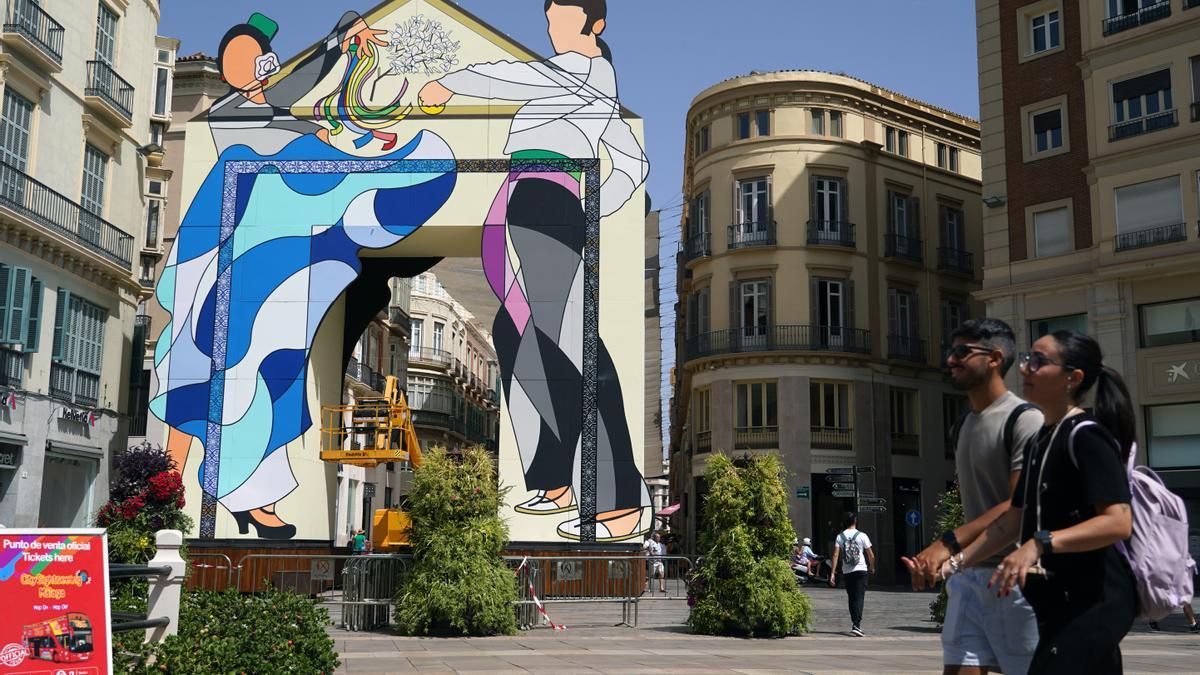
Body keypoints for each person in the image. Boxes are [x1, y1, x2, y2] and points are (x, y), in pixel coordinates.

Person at [419, 0, 652, 542]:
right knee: (515, 332)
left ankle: (618, 497)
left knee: (571, 338)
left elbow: (512, 75)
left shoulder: (587, 70)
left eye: (562, 16)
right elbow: (632, 163)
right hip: (526, 196)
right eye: (549, 17)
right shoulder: (581, 91)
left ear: (596, 24)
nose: (551, 26)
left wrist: (452, 84)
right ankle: (554, 475)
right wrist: (602, 200)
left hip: (547, 198)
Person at [945, 331, 1137, 674]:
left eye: (1038, 361)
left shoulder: (1087, 436)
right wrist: (956, 562)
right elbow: (1012, 520)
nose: (1024, 370)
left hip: (1094, 602)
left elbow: (1119, 522)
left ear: (1072, 378)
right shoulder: (1040, 441)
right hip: (1057, 603)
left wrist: (1040, 543)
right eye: (1026, 359)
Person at [902, 318, 1042, 674]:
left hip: (1019, 580)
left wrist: (947, 546)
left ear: (995, 358)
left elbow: (1017, 506)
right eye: (951, 351)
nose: (951, 359)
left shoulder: (1025, 420)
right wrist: (947, 563)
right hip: (970, 579)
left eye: (963, 351)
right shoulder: (962, 424)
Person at [829, 512, 875, 637]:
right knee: (859, 597)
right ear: (855, 521)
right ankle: (857, 625)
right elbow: (871, 555)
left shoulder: (840, 537)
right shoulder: (862, 535)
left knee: (851, 597)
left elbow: (835, 556)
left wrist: (832, 573)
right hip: (861, 570)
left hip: (847, 571)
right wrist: (872, 566)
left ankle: (854, 623)